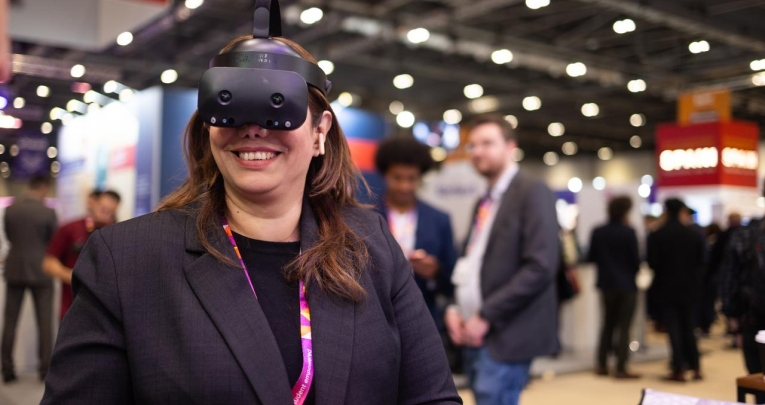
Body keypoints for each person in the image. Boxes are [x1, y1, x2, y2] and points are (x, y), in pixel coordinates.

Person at [41, 8, 461, 403]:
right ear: (208, 125)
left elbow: (432, 395)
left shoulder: (372, 247)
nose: (254, 128)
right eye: (231, 107)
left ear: (320, 131)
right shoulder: (127, 261)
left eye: (280, 106)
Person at [445, 114, 559, 405]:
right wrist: (456, 308)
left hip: (506, 334)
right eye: (472, 145)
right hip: (474, 332)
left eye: (487, 143)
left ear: (511, 147)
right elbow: (470, 263)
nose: (478, 151)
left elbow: (541, 265)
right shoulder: (485, 200)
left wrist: (487, 315)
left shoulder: (532, 191)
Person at [373, 136, 457, 329]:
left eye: (412, 179)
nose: (405, 186)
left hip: (424, 317)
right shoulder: (365, 216)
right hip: (376, 319)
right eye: (397, 178)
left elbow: (451, 280)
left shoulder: (439, 219)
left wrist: (435, 272)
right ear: (385, 175)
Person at [2, 176, 57, 382]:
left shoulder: (11, 209)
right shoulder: (48, 212)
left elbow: (9, 236)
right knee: (44, 324)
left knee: (10, 322)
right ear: (43, 188)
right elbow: (52, 240)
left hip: (15, 268)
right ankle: (45, 370)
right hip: (41, 270)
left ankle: (7, 370)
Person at [647, 198, 706, 382]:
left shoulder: (657, 234)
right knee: (689, 327)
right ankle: (695, 366)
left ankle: (678, 367)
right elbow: (701, 262)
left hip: (666, 288)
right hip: (689, 288)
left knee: (674, 329)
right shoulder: (694, 234)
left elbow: (652, 263)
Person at [43, 190, 120, 319]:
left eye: (110, 211)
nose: (106, 214)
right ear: (93, 203)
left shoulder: (117, 233)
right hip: (72, 307)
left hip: (106, 311)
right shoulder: (70, 228)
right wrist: (73, 276)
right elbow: (48, 263)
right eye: (103, 209)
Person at [588, 196, 641, 379]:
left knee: (607, 325)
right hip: (626, 285)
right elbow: (636, 261)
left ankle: (601, 364)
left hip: (606, 285)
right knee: (624, 327)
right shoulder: (629, 232)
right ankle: (620, 366)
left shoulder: (599, 231)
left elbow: (591, 257)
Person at [721, 214, 765, 403]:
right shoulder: (746, 235)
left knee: (757, 376)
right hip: (752, 312)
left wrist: (733, 317)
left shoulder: (745, 234)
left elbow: (730, 277)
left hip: (752, 315)